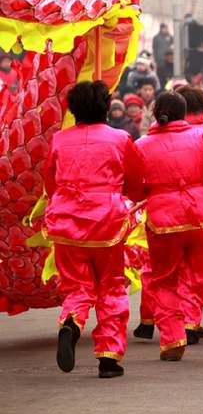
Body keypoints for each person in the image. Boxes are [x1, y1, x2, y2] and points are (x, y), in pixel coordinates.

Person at [133, 91, 203, 361]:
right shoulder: (201, 136)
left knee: (164, 281)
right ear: (183, 114)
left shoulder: (141, 145)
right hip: (201, 214)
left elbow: (135, 189)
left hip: (163, 219)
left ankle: (173, 340)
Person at [44, 81, 143, 378]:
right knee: (111, 287)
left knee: (77, 287)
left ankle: (71, 323)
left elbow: (51, 183)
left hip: (65, 221)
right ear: (106, 107)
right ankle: (109, 358)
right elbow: (136, 184)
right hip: (107, 223)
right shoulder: (121, 138)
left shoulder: (59, 140)